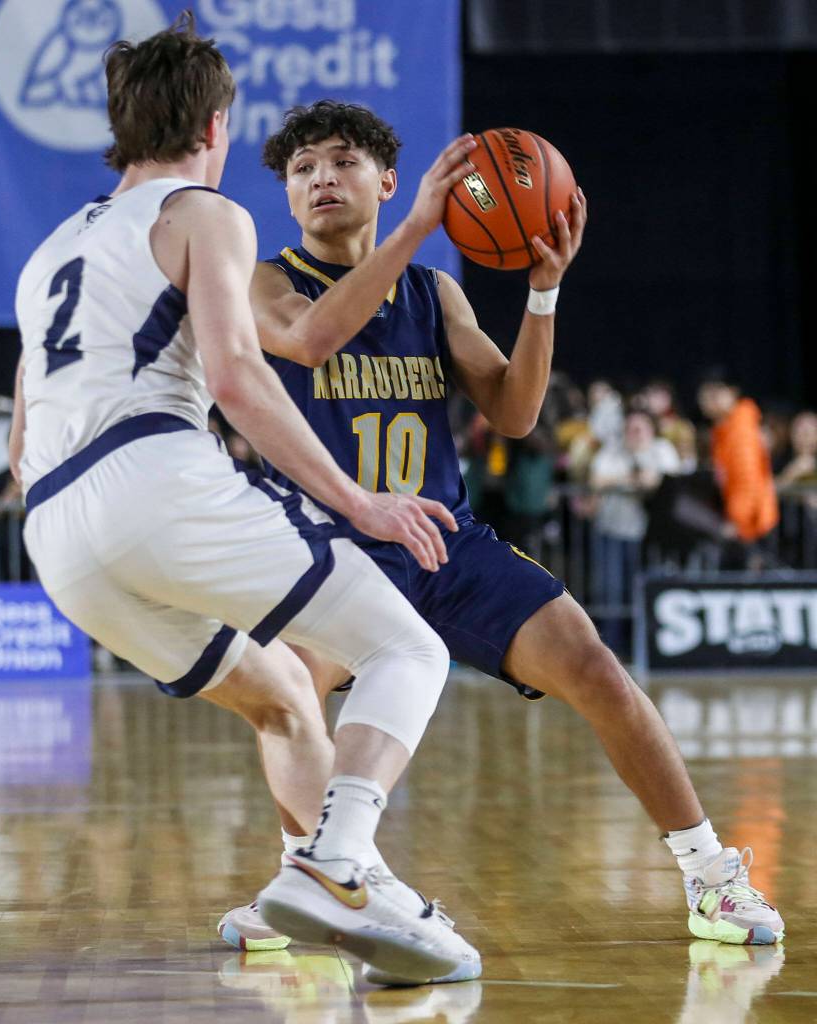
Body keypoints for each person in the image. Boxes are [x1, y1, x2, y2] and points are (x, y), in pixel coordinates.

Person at [219, 100, 784, 954]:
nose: (321, 179)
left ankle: (709, 876)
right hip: (333, 548)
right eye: (303, 170)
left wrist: (544, 291)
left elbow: (515, 412)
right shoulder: (269, 281)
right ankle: (308, 874)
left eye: (340, 162)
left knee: (597, 666)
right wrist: (416, 228)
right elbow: (308, 340)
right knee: (294, 692)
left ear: (387, 180)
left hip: (445, 542)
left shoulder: (433, 292)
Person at [8, 16, 480, 985]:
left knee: (282, 701)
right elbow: (236, 374)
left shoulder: (50, 249)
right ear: (217, 125)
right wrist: (359, 501)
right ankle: (335, 857)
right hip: (151, 477)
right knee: (406, 646)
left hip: (56, 534)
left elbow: (20, 444)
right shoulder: (206, 213)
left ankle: (349, 886)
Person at [589, 408, 681, 651]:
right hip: (613, 531)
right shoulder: (613, 450)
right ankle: (612, 649)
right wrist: (631, 480)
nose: (635, 434)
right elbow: (596, 480)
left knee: (647, 589)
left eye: (640, 428)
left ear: (651, 430)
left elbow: (669, 479)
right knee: (611, 592)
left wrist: (646, 480)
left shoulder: (662, 449)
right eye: (630, 429)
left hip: (651, 535)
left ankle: (647, 647)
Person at [697, 373, 779, 568]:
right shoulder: (724, 429)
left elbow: (747, 480)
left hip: (750, 525)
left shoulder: (741, 429)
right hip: (742, 523)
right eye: (705, 394)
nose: (708, 400)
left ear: (733, 393)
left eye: (716, 393)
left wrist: (738, 524)